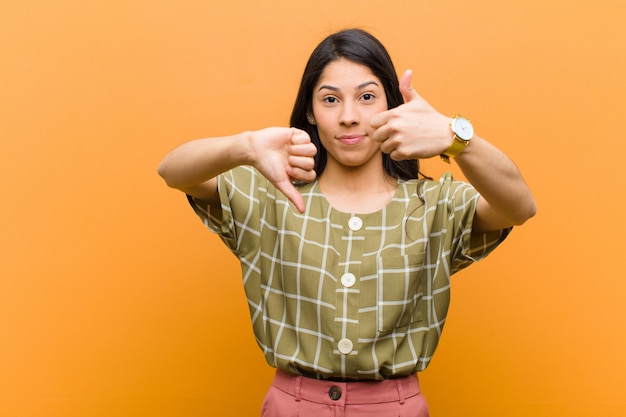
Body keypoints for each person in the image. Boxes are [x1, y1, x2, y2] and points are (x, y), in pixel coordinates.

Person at [158, 28, 536, 417]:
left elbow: (519, 207)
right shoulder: (271, 195)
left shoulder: (435, 204)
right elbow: (173, 171)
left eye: (367, 97)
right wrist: (246, 147)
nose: (350, 117)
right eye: (330, 100)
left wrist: (455, 137)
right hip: (292, 406)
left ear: (392, 104)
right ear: (310, 111)